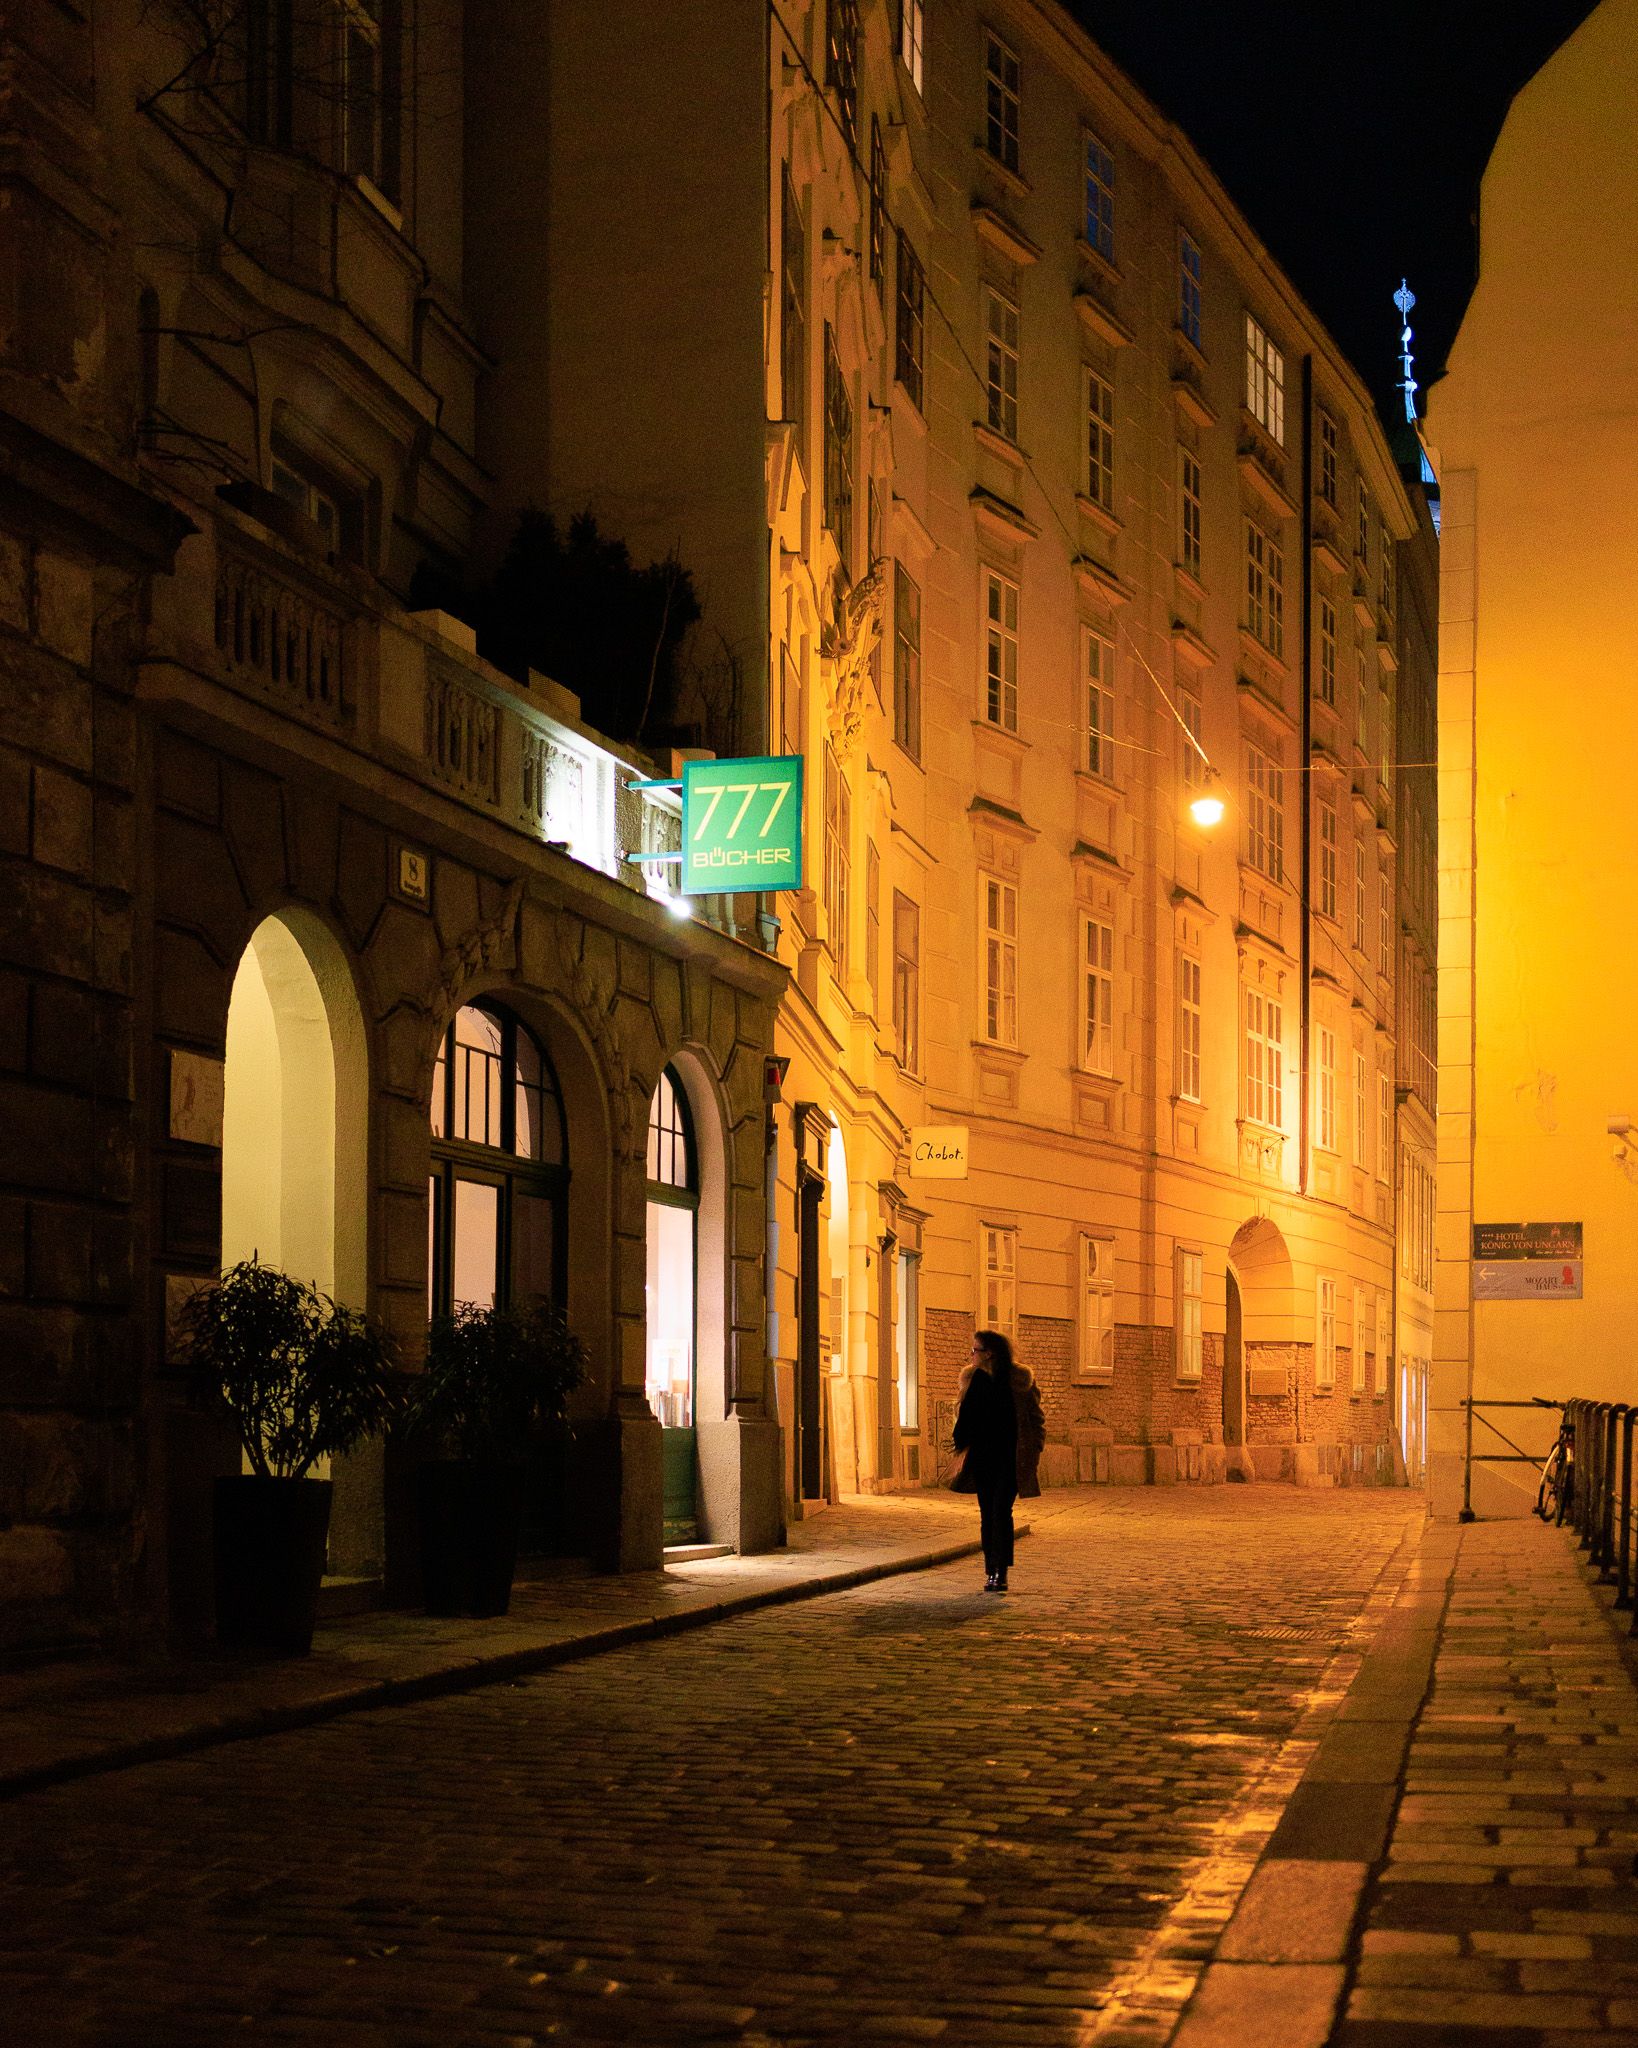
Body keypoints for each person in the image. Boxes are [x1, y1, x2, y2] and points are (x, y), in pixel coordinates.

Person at [950, 1330, 1046, 1591]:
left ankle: (1000, 1572)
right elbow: (964, 1417)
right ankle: (990, 1569)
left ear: (988, 1353)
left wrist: (1034, 1448)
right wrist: (960, 1447)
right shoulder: (972, 1379)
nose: (971, 1355)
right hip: (982, 1458)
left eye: (975, 1350)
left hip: (1011, 1458)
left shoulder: (1019, 1380)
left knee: (1001, 1512)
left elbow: (1036, 1419)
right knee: (986, 1515)